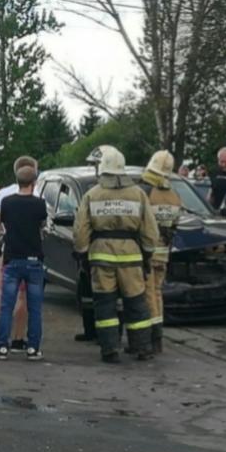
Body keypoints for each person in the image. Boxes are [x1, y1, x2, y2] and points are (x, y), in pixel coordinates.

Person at [74, 146, 159, 363]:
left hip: (101, 256)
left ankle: (109, 350)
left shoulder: (91, 195)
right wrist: (147, 254)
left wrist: (83, 254)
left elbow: (80, 231)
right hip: (131, 257)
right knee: (136, 303)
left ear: (102, 170)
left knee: (105, 304)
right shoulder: (138, 194)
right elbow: (150, 230)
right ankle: (142, 348)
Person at [0, 156, 38, 352]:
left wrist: (0, 230)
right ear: (34, 175)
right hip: (31, 252)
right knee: (24, 299)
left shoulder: (5, 193)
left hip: (9, 251)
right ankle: (19, 339)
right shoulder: (37, 194)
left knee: (4, 296)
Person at [0, 166, 47, 360]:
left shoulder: (7, 202)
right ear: (34, 183)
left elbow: (4, 223)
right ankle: (33, 348)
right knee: (34, 308)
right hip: (34, 261)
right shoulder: (40, 205)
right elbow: (41, 226)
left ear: (18, 181)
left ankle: (1, 347)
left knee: (7, 305)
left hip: (12, 259)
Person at [138, 151, 182, 353]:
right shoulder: (174, 196)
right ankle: (158, 338)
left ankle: (151, 339)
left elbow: (140, 224)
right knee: (157, 293)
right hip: (163, 252)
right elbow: (174, 226)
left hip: (147, 253)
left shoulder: (147, 193)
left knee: (147, 295)